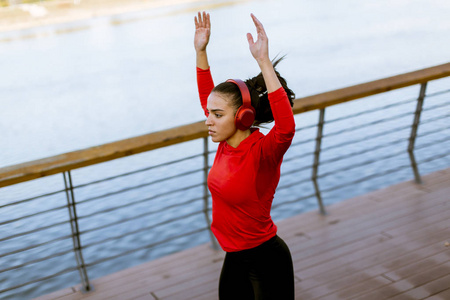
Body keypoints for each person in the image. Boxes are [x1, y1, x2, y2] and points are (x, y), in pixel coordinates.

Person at [194, 11, 296, 300]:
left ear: (242, 117)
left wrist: (263, 61)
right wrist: (201, 51)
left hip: (266, 259)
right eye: (209, 113)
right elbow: (207, 97)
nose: (208, 120)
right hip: (235, 256)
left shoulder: (263, 151)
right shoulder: (226, 143)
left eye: (216, 115)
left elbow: (286, 126)